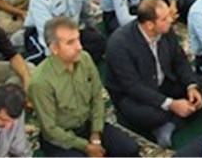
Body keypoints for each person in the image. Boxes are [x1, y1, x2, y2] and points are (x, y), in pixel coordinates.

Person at [106, 0, 202, 147]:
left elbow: (179, 60)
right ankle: (172, 119)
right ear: (150, 25)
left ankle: (170, 124)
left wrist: (191, 86)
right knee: (149, 115)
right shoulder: (119, 45)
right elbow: (132, 87)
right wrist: (171, 104)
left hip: (164, 82)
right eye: (164, 19)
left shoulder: (165, 30)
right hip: (134, 95)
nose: (170, 20)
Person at [28, 16, 140, 157]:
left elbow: (97, 96)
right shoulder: (40, 82)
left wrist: (96, 134)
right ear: (54, 48)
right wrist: (85, 146)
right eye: (70, 43)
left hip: (88, 126)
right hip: (61, 139)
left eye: (78, 39)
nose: (79, 47)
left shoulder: (84, 58)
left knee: (130, 148)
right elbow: (50, 129)